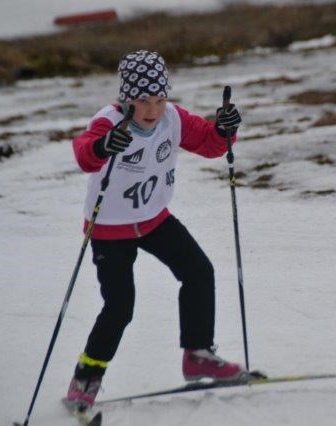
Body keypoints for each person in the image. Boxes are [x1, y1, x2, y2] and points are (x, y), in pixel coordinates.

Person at [66, 50, 244, 408]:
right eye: (143, 101)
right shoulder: (109, 122)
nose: (152, 110)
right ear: (126, 99)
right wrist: (103, 146)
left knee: (198, 271)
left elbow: (209, 143)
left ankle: (197, 355)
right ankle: (86, 378)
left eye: (160, 99)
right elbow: (85, 153)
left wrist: (226, 129)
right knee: (120, 307)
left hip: (153, 218)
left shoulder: (172, 119)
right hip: (110, 228)